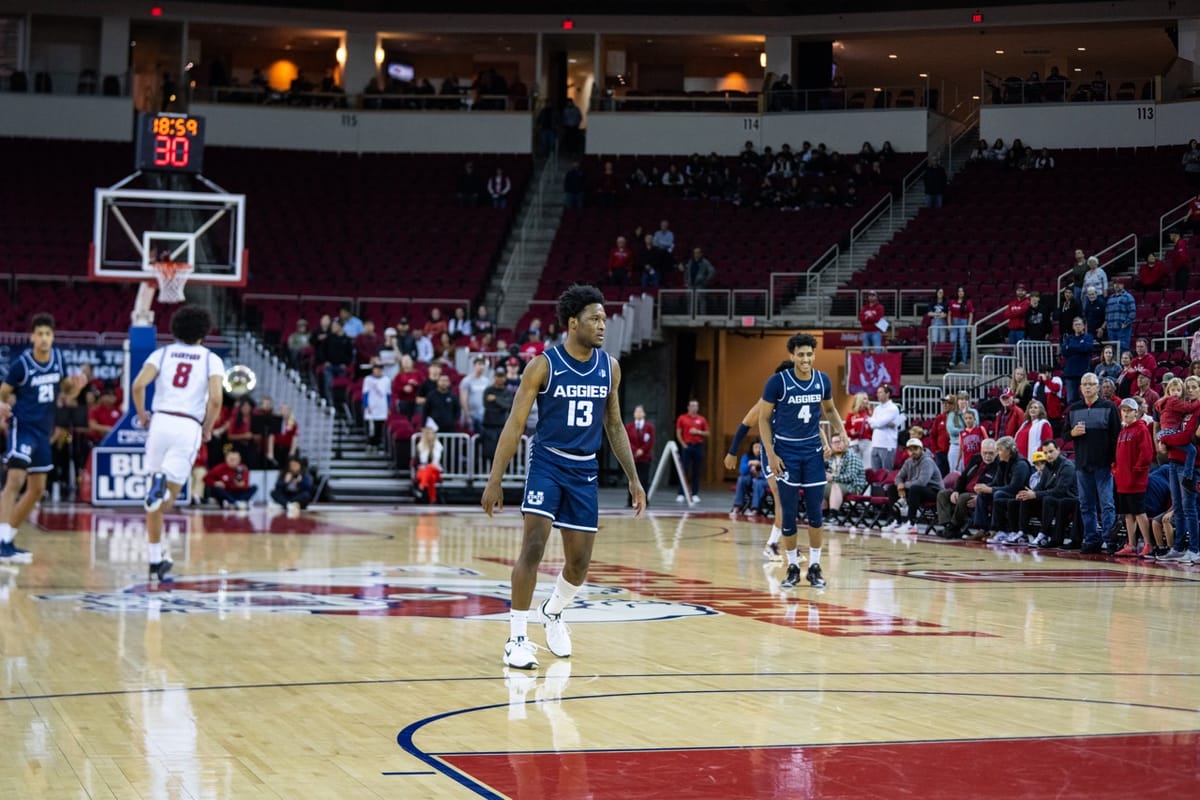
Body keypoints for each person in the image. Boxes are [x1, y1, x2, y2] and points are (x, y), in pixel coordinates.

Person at [130, 305, 225, 580]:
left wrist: (142, 415)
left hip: (160, 421)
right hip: (187, 425)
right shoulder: (210, 359)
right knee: (170, 494)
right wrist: (207, 428)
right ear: (204, 331)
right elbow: (216, 399)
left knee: (154, 497)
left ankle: (155, 559)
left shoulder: (162, 353)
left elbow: (137, 385)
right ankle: (161, 492)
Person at [758, 333, 847, 590]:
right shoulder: (777, 382)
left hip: (813, 454)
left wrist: (841, 431)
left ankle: (816, 567)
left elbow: (829, 410)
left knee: (815, 513)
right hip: (786, 455)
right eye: (801, 354)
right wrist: (771, 454)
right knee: (788, 514)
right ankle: (793, 566)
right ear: (792, 356)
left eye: (809, 354)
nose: (805, 359)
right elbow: (763, 419)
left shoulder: (822, 380)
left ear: (814, 355)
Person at [0, 314, 86, 563]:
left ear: (53, 337)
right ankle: (1, 539)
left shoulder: (59, 358)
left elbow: (65, 391)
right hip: (23, 428)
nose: (44, 338)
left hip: (43, 431)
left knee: (38, 489)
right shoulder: (22, 364)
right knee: (15, 480)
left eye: (48, 334)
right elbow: (4, 392)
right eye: (40, 334)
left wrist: (76, 386)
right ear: (32, 337)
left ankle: (8, 540)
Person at [1068, 373, 1121, 554]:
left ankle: (1109, 540)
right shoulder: (1073, 409)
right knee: (1086, 505)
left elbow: (1116, 436)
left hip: (1104, 464)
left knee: (1107, 503)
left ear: (1098, 387)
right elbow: (1064, 435)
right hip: (1082, 464)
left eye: (1091, 384)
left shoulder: (1109, 407)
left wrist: (1114, 461)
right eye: (1085, 384)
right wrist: (1072, 433)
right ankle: (1091, 539)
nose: (1088, 387)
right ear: (1081, 388)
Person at [1113, 397, 1155, 557]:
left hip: (1135, 480)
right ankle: (1131, 544)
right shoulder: (1123, 431)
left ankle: (1147, 543)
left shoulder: (1141, 429)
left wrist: (1137, 471)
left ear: (1136, 412)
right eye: (1123, 410)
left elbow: (1146, 454)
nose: (1125, 413)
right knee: (1127, 514)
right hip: (1122, 480)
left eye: (1129, 410)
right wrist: (1115, 469)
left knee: (1139, 512)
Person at [936, 438, 999, 539]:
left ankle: (953, 527)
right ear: (981, 450)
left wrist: (980, 497)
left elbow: (996, 485)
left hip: (979, 495)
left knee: (963, 497)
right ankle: (947, 526)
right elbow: (963, 477)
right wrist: (956, 490)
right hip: (964, 490)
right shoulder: (976, 458)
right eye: (985, 453)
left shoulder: (999, 465)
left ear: (996, 452)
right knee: (943, 494)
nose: (987, 456)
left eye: (991, 453)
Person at [884, 438, 943, 534]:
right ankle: (897, 521)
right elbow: (898, 477)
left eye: (915, 448)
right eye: (910, 449)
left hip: (935, 491)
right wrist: (899, 484)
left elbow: (921, 482)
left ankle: (911, 524)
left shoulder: (927, 461)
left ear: (921, 449)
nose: (913, 452)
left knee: (915, 489)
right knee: (892, 488)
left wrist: (904, 485)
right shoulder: (908, 462)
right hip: (918, 490)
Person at [675, 399, 709, 502]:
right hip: (687, 445)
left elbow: (707, 433)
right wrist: (683, 444)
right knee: (684, 470)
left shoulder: (701, 419)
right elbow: (678, 433)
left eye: (696, 406)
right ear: (688, 407)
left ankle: (695, 493)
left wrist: (698, 432)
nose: (694, 408)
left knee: (696, 470)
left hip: (698, 446)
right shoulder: (682, 418)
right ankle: (681, 493)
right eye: (692, 406)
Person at [480, 367, 513, 465]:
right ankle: (487, 471)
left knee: (502, 451)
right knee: (489, 451)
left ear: (505, 378)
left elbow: (508, 405)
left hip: (502, 425)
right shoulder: (488, 390)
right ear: (494, 377)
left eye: (502, 376)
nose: (500, 379)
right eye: (498, 376)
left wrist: (495, 399)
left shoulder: (508, 392)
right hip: (489, 425)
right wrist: (501, 402)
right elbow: (486, 404)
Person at [624, 405, 655, 503]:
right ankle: (631, 500)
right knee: (632, 479)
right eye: (636, 412)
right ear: (633, 414)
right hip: (632, 457)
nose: (638, 413)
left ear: (644, 414)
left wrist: (642, 450)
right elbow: (626, 440)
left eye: (640, 411)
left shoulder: (649, 427)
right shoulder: (629, 427)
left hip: (645, 457)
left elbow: (650, 441)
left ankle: (644, 500)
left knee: (644, 479)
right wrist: (634, 450)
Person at [866, 384, 901, 470]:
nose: (878, 394)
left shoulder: (893, 408)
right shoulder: (877, 408)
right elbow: (873, 425)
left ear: (887, 394)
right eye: (877, 392)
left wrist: (872, 420)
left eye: (880, 392)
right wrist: (876, 422)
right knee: (875, 473)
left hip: (887, 444)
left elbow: (878, 423)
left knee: (886, 472)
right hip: (875, 443)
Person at [731, 441, 770, 516]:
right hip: (750, 478)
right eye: (755, 447)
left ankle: (755, 508)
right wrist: (749, 464)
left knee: (757, 483)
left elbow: (770, 473)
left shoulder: (766, 457)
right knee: (741, 479)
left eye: (759, 447)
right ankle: (738, 506)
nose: (758, 449)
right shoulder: (746, 456)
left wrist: (760, 468)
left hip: (762, 480)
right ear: (751, 448)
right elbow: (742, 471)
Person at [361, 361, 391, 450]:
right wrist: (366, 405)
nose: (377, 371)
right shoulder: (368, 380)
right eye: (376, 369)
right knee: (371, 427)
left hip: (382, 406)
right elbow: (365, 393)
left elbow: (388, 394)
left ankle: (377, 444)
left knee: (379, 426)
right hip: (371, 406)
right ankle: (370, 443)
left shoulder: (386, 380)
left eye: (379, 369)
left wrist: (388, 407)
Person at [413, 419, 444, 504]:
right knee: (431, 477)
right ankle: (432, 499)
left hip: (435, 469)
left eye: (431, 433)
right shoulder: (421, 445)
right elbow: (421, 461)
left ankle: (421, 488)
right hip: (423, 471)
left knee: (430, 468)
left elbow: (436, 461)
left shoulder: (438, 445)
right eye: (427, 433)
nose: (429, 435)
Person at [1104, 278, 1136, 355]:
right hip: (1111, 329)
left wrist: (1126, 323)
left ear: (1123, 285)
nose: (1117, 285)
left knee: (1123, 350)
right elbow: (1107, 313)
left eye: (1119, 284)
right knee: (1112, 351)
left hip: (1122, 329)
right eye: (1115, 284)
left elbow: (1132, 312)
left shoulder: (1128, 297)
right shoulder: (1110, 298)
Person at [948, 286, 974, 366]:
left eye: (962, 291)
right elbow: (949, 314)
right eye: (959, 291)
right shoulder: (952, 302)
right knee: (953, 341)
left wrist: (969, 325)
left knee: (962, 341)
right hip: (954, 321)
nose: (960, 293)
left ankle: (964, 360)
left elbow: (971, 314)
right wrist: (949, 324)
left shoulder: (968, 302)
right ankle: (953, 360)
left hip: (964, 322)